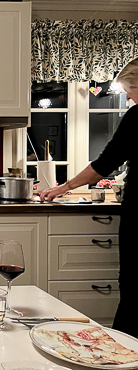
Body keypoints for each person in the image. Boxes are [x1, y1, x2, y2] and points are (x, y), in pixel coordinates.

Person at [39, 57, 138, 338]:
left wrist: (64, 187)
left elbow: (104, 164)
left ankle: (122, 351)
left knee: (133, 293)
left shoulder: (137, 117)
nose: (128, 98)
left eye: (130, 90)